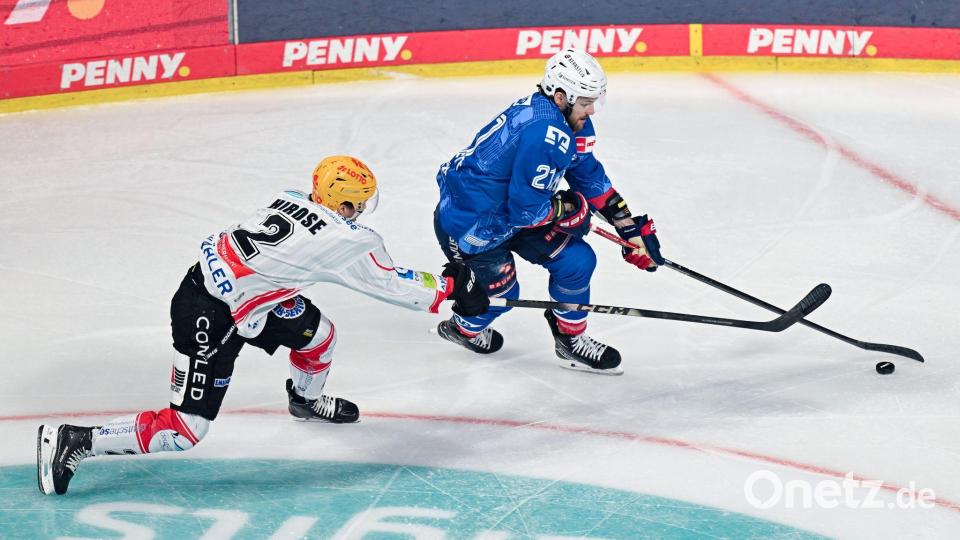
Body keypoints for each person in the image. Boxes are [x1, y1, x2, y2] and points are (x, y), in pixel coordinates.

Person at [37, 155, 488, 496]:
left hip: (249, 299)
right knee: (184, 430)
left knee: (320, 335)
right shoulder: (347, 239)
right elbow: (392, 285)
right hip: (209, 316)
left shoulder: (292, 199)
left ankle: (304, 400)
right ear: (340, 200)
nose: (363, 208)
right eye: (359, 200)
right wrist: (449, 287)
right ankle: (76, 440)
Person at [433, 48, 663, 374]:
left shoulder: (565, 120)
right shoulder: (545, 132)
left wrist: (627, 228)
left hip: (512, 214)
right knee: (502, 293)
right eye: (585, 102)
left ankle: (569, 340)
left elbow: (588, 176)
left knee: (577, 261)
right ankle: (463, 328)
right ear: (560, 96)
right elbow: (527, 211)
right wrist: (571, 211)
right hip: (472, 224)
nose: (592, 110)